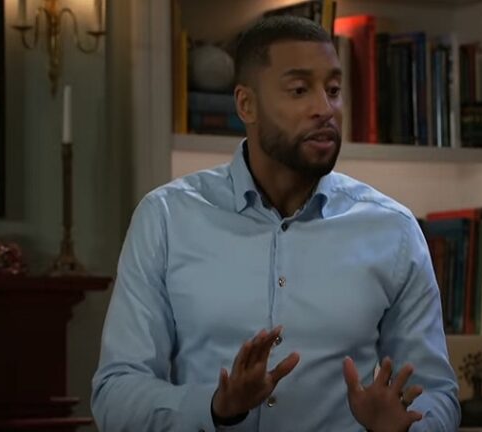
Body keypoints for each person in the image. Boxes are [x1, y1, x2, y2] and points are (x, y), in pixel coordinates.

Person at [91, 15, 460, 432]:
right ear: (246, 104)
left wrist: (406, 427)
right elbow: (115, 396)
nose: (325, 109)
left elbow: (437, 394)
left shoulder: (393, 231)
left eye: (333, 90)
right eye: (300, 90)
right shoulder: (166, 219)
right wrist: (214, 407)